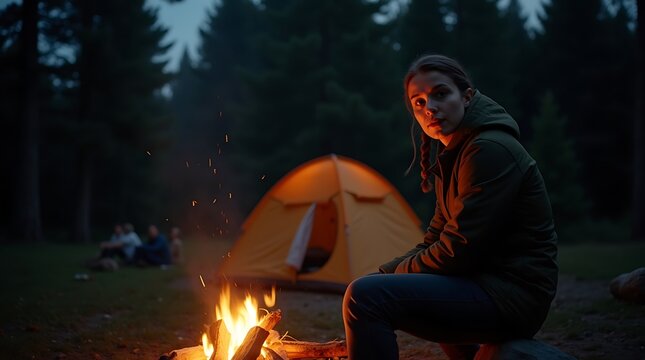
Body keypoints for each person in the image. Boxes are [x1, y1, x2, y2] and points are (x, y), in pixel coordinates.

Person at [342, 55, 558, 360]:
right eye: (419, 102)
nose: (430, 107)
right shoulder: (457, 153)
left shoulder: (488, 150)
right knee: (372, 288)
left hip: (513, 296)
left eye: (440, 94)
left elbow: (458, 249)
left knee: (365, 298)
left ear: (466, 96)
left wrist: (388, 280)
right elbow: (435, 238)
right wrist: (384, 273)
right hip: (487, 285)